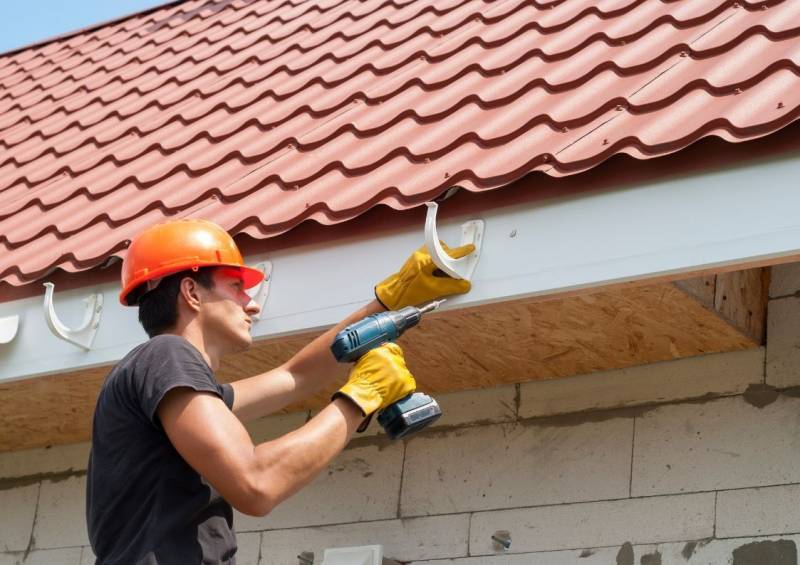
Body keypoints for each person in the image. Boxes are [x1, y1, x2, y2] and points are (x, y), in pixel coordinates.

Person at [85, 218, 473, 564]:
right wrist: (361, 396)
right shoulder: (166, 356)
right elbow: (257, 484)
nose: (251, 305)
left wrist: (390, 301)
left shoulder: (169, 385)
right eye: (236, 287)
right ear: (191, 291)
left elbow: (295, 377)